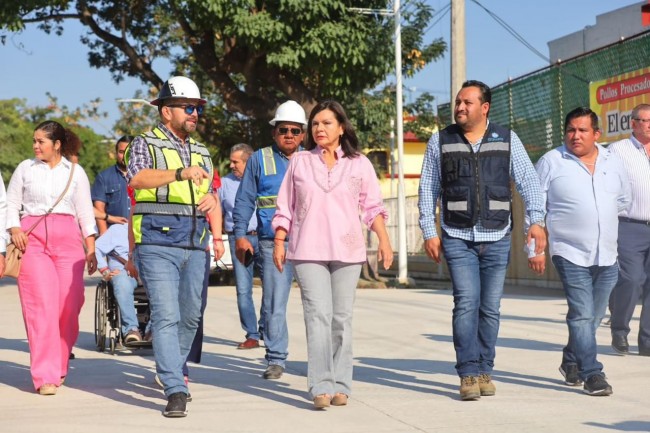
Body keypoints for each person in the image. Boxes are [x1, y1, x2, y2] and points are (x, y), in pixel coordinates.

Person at [417, 80, 547, 401]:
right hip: (457, 235)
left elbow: (529, 181)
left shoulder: (507, 139)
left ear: (484, 107)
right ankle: (468, 372)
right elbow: (427, 188)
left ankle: (486, 367)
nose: (460, 108)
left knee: (490, 309)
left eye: (467, 103)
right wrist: (429, 231)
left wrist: (537, 222)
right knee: (466, 303)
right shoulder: (441, 140)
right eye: (458, 102)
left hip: (498, 235)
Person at [272, 100, 393, 409]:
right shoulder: (300, 161)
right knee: (317, 316)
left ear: (341, 127)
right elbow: (285, 205)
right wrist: (279, 240)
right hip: (307, 250)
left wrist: (384, 240)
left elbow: (372, 207)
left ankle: (341, 382)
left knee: (341, 319)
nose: (319, 128)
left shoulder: (359, 163)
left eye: (326, 123)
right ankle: (320, 385)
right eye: (315, 124)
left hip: (348, 251)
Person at [125, 76, 224, 417]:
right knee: (166, 316)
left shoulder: (203, 151)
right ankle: (175, 386)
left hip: (196, 243)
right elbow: (137, 179)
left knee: (191, 317)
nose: (195, 113)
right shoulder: (144, 144)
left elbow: (211, 194)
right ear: (167, 111)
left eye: (197, 108)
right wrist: (180, 173)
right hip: (156, 240)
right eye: (189, 107)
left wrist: (213, 206)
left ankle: (170, 367)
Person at [535, 107, 631, 396]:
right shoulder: (552, 161)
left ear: (596, 134)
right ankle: (592, 373)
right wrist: (535, 248)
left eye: (582, 130)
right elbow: (534, 207)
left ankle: (570, 360)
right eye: (570, 130)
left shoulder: (613, 162)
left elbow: (622, 200)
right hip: (568, 251)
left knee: (594, 315)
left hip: (607, 254)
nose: (575, 136)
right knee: (581, 314)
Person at [6, 120, 97, 395]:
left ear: (57, 145)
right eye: (34, 141)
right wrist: (14, 228)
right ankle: (44, 375)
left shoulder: (76, 172)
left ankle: (59, 362)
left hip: (69, 240)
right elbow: (11, 203)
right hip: (32, 240)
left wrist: (91, 248)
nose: (35, 146)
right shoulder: (25, 168)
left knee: (69, 306)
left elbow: (85, 212)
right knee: (41, 307)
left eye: (41, 141)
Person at [232, 100, 307, 380]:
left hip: (310, 242)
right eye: (283, 129)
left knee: (317, 303)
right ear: (274, 131)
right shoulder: (259, 159)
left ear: (303, 134)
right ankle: (276, 358)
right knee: (275, 302)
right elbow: (244, 200)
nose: (289, 135)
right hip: (271, 242)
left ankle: (322, 359)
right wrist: (240, 235)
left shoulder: (311, 158)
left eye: (295, 130)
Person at [608, 103, 650, 356]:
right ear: (633, 124)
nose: (649, 125)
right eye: (645, 120)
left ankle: (647, 341)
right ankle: (619, 330)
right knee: (632, 279)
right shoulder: (618, 150)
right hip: (629, 226)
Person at [219, 143, 264, 349]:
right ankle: (252, 335)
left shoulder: (263, 179)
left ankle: (265, 327)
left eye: (236, 161)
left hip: (265, 239)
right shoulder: (224, 184)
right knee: (243, 289)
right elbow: (216, 212)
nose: (231, 165)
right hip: (238, 239)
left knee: (272, 286)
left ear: (248, 162)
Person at [95, 222, 149, 344]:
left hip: (150, 272)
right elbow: (95, 248)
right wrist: (105, 270)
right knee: (122, 283)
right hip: (124, 271)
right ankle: (131, 329)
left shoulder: (154, 227)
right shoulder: (117, 230)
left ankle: (153, 329)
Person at [92, 135, 133, 235]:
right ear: (116, 153)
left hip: (140, 235)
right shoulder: (103, 177)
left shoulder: (146, 177)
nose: (125, 156)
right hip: (114, 235)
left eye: (129, 152)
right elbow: (99, 209)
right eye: (121, 152)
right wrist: (104, 235)